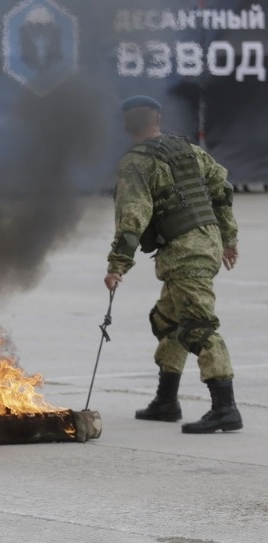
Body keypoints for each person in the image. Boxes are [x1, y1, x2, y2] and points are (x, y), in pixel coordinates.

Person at [103, 95, 241, 435]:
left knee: (198, 326)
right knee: (168, 320)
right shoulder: (187, 149)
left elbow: (132, 217)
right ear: (158, 118)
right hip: (205, 242)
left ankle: (226, 408)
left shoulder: (135, 162)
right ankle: (166, 401)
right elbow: (222, 188)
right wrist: (228, 239)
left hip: (185, 253)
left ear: (125, 125)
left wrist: (117, 265)